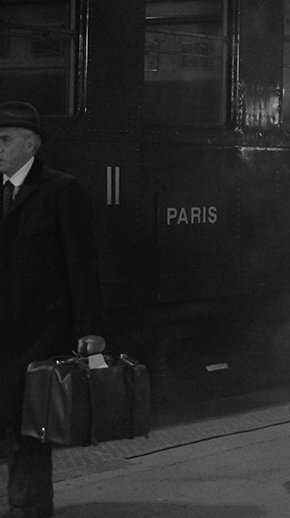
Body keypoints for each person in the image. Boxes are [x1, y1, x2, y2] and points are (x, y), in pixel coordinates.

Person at [0, 101, 105, 518]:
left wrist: (90, 327)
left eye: (4, 139)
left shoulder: (61, 190)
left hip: (39, 331)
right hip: (2, 330)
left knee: (27, 424)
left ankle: (29, 507)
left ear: (31, 144)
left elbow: (83, 263)